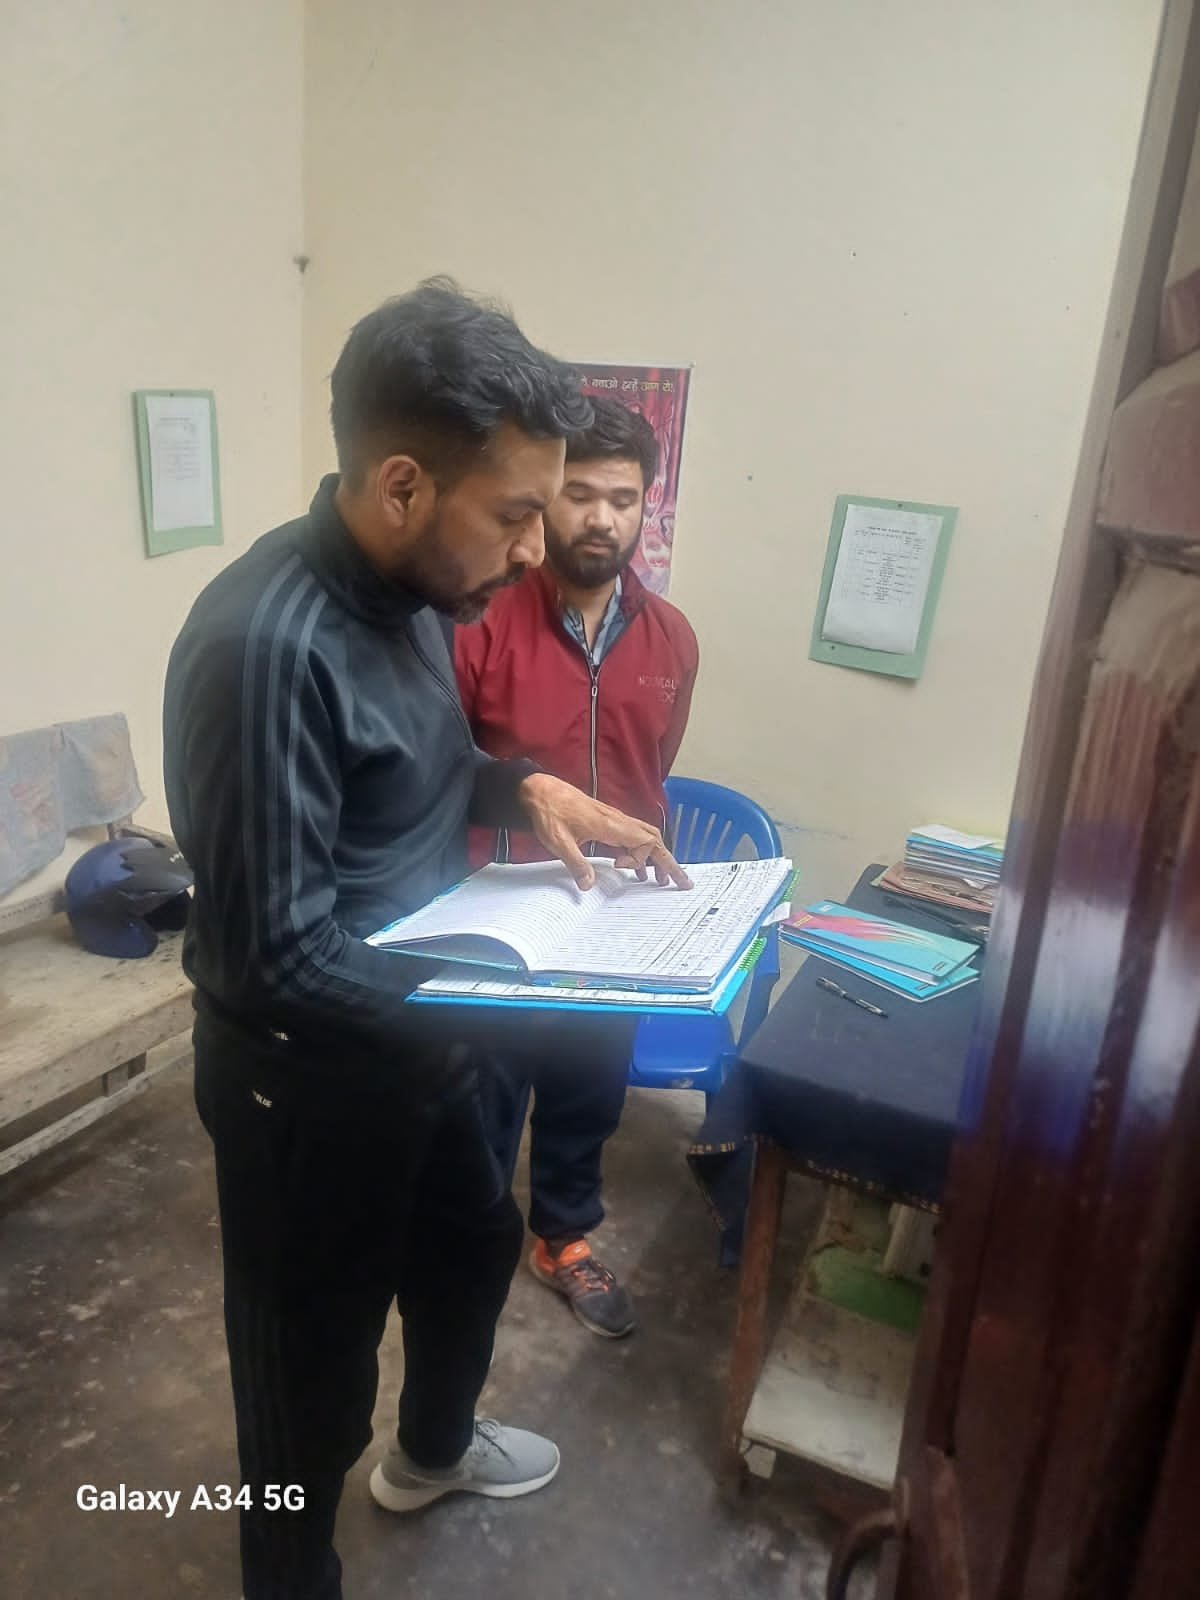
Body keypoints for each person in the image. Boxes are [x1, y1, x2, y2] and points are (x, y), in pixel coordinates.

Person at [162, 280, 691, 1600]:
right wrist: (519, 994)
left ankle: (437, 1452)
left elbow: (418, 771)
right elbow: (279, 957)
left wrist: (526, 788)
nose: (534, 546)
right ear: (403, 485)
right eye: (514, 513)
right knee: (306, 1388)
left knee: (468, 1251)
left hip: (420, 1034)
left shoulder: (414, 602)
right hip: (305, 1087)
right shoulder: (266, 647)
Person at [455, 397, 699, 1339]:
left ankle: (562, 1238)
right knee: (480, 1105)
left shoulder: (672, 638)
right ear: (547, 498)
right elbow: (445, 769)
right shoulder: (479, 621)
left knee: (588, 1095)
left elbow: (654, 765)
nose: (602, 519)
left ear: (646, 507)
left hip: (615, 920)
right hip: (497, 914)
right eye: (581, 495)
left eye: (623, 500)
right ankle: (465, 1252)